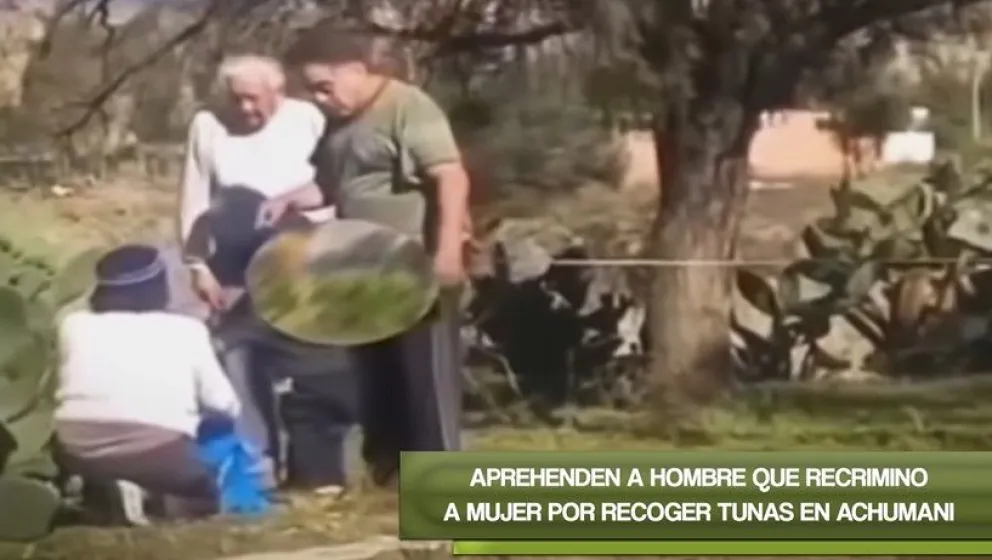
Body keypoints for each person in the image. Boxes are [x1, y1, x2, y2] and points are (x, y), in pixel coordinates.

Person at [263, 25, 471, 486]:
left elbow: (450, 177)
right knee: (378, 377)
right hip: (365, 270)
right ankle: (390, 477)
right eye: (312, 90)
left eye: (324, 86)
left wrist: (448, 251)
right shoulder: (339, 124)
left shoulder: (407, 106)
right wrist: (293, 198)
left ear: (356, 71)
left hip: (415, 265)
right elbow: (336, 183)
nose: (319, 98)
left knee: (424, 381)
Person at [177, 54, 356, 493]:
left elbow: (335, 186)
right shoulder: (207, 126)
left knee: (310, 362)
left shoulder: (308, 119)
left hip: (302, 252)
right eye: (236, 99)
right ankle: (256, 466)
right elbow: (194, 196)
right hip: (234, 258)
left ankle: (316, 468)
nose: (245, 110)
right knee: (241, 361)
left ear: (277, 92)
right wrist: (197, 263)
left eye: (254, 100)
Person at [54, 245, 241, 523]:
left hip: (76, 448)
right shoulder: (186, 330)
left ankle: (97, 490)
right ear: (158, 287)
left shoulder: (73, 325)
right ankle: (153, 501)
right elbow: (225, 405)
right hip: (157, 453)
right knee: (205, 489)